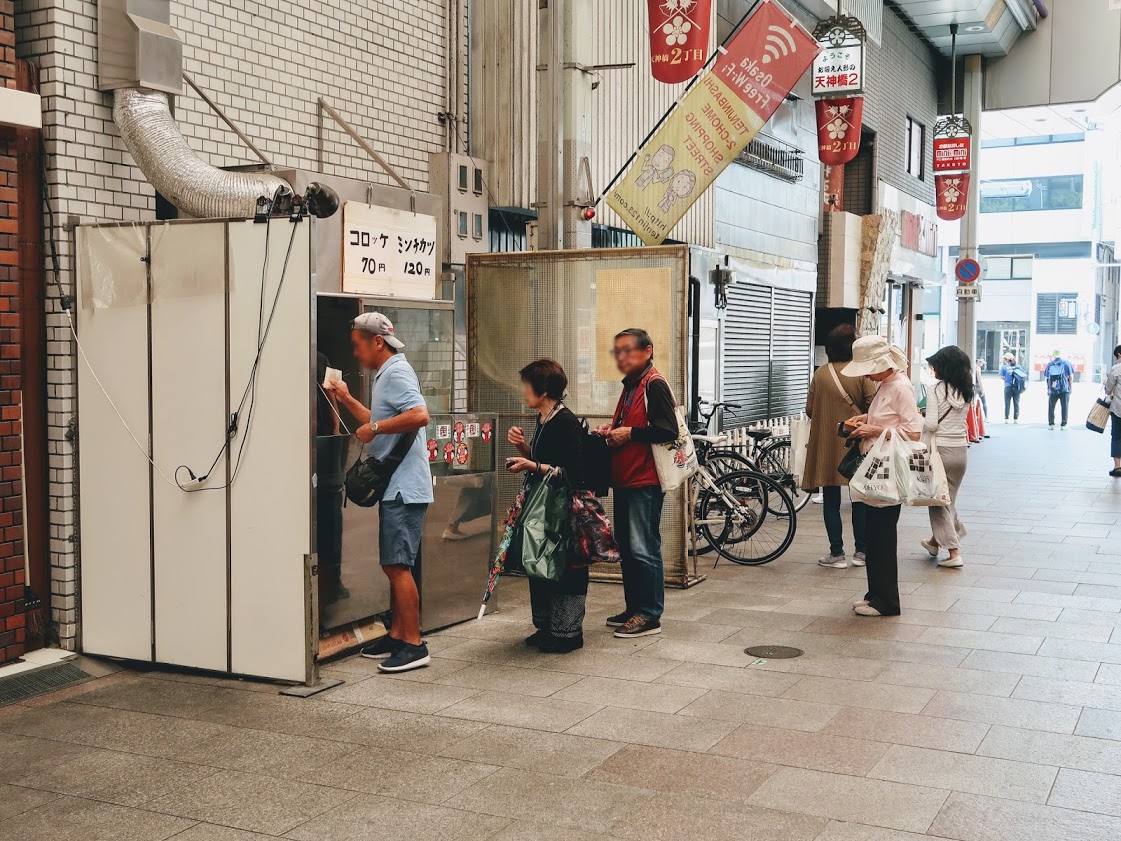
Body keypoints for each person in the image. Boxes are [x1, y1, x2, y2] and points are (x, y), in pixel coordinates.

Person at [326, 312, 433, 672]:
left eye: (357, 345)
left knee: (397, 565)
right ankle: (399, 634)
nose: (354, 353)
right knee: (395, 564)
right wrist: (345, 399)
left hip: (404, 487)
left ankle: (414, 645)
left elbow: (419, 415)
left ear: (376, 342)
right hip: (398, 486)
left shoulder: (398, 372)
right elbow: (380, 419)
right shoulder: (389, 374)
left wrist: (374, 425)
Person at [594, 328, 678, 639]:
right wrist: (613, 429)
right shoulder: (632, 384)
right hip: (626, 478)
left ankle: (650, 614)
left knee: (644, 548)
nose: (621, 357)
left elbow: (667, 430)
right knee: (629, 548)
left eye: (628, 350)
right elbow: (636, 423)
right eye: (617, 351)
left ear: (647, 351)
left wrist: (629, 434)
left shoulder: (653, 383)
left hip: (644, 479)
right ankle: (634, 608)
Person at [506, 359, 592, 653]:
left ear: (542, 390)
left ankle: (567, 633)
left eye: (527, 385)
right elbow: (542, 460)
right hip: (543, 506)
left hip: (564, 509)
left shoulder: (566, 421)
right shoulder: (543, 418)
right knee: (541, 561)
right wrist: (522, 451)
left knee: (563, 565)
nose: (524, 391)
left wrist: (532, 464)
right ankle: (545, 627)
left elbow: (574, 473)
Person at [841, 336, 923, 617]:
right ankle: (874, 594)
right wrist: (868, 420)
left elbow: (914, 432)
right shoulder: (885, 385)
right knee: (875, 535)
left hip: (887, 469)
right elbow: (891, 420)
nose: (866, 373)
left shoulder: (900, 387)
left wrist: (874, 430)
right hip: (875, 467)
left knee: (883, 537)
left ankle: (887, 601)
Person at [802, 324, 877, 569]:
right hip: (856, 444)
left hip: (827, 445)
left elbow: (810, 409)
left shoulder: (821, 373)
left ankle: (836, 553)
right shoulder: (861, 374)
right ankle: (862, 552)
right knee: (859, 499)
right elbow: (873, 407)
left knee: (831, 500)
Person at [921, 346, 974, 569]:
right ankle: (935, 542)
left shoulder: (935, 390)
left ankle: (953, 551)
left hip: (939, 451)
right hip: (960, 452)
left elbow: (932, 424)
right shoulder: (967, 391)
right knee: (947, 498)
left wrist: (919, 417)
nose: (933, 370)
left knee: (937, 501)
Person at [1045, 349, 1074, 430]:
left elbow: (1047, 378)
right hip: (1064, 389)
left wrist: (1048, 389)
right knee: (1064, 406)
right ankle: (1063, 425)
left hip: (1053, 389)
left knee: (1051, 407)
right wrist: (1070, 388)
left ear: (1053, 355)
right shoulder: (1066, 363)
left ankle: (1051, 424)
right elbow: (1071, 376)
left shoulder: (1050, 364)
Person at [1105, 345, 1121, 477]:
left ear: (1119, 355)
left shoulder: (1116, 369)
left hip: (1118, 409)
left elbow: (1107, 389)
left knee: (1116, 436)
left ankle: (1118, 467)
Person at [999, 354, 1026, 423]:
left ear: (1006, 360)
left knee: (1007, 402)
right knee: (1016, 403)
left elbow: (1001, 377)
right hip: (1017, 387)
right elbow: (1023, 375)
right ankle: (1015, 419)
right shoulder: (1018, 366)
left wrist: (1007, 379)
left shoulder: (1004, 367)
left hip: (1008, 386)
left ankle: (1006, 418)